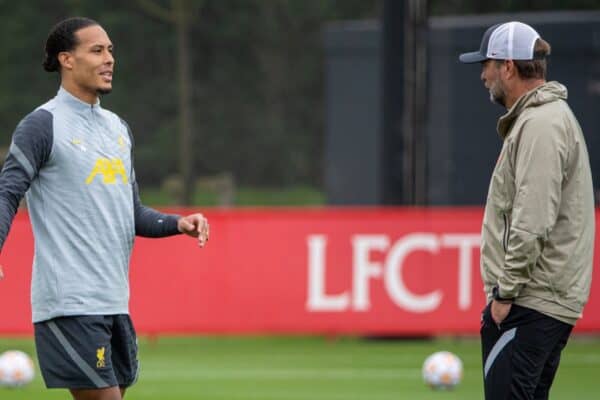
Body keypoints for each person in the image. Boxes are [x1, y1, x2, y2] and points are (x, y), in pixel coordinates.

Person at [0, 17, 210, 400]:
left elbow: (131, 213)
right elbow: (7, 192)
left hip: (114, 299)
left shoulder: (117, 128)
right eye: (97, 50)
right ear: (66, 59)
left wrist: (177, 223)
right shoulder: (42, 125)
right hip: (69, 302)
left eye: (110, 50)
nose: (109, 58)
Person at [459, 21, 594, 399]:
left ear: (508, 66)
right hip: (540, 299)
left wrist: (504, 294)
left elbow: (533, 219)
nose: (483, 75)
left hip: (529, 300)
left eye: (486, 64)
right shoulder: (544, 119)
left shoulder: (541, 124)